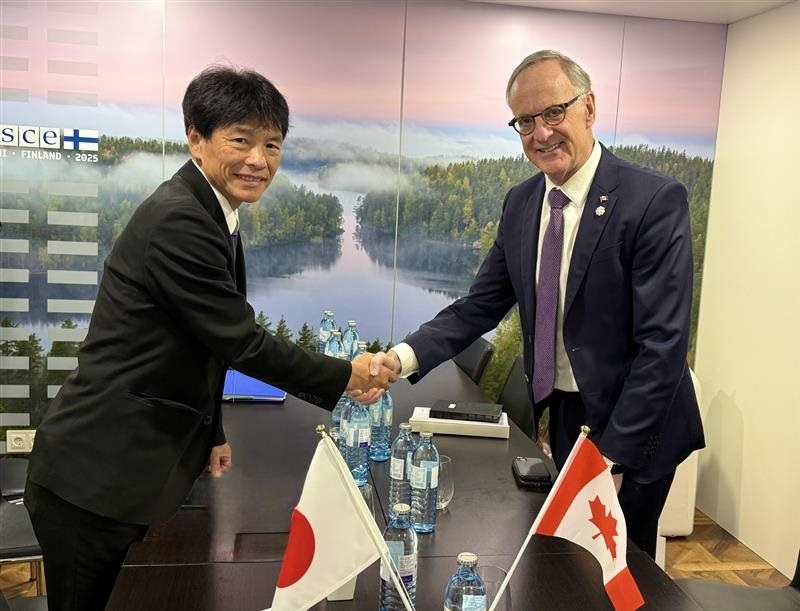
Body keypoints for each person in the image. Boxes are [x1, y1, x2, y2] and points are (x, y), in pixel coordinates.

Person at [23, 65, 395, 611]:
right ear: (196, 137)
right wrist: (347, 375)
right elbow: (240, 341)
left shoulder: (210, 208)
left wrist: (209, 432)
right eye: (240, 140)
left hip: (122, 466)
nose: (259, 160)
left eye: (273, 145)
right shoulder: (181, 219)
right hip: (94, 478)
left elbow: (200, 343)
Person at [373, 49, 704, 558]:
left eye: (554, 112)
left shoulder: (653, 200)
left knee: (619, 569)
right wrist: (400, 359)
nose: (541, 133)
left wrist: (610, 458)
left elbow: (662, 346)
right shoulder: (523, 201)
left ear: (589, 108)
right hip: (571, 412)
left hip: (639, 425)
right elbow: (479, 306)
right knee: (566, 559)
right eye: (525, 121)